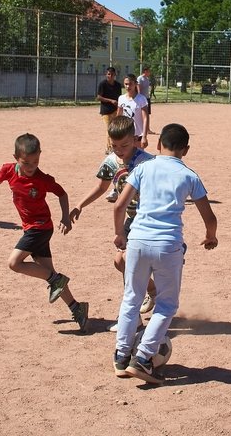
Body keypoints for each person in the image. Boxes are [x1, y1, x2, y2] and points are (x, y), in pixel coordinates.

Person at [112, 123, 218, 384]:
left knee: (131, 298)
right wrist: (210, 236)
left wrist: (119, 234)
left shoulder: (143, 168)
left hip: (136, 241)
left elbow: (119, 206)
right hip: (167, 245)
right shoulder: (189, 175)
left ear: (158, 145)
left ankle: (121, 356)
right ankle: (144, 358)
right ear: (186, 150)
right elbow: (209, 216)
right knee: (167, 304)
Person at [0, 133, 88, 331]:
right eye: (26, 162)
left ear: (40, 155)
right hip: (32, 228)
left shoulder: (43, 179)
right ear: (16, 158)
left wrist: (65, 217)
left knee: (14, 263)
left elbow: (62, 194)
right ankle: (77, 308)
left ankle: (55, 280)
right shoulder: (8, 170)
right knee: (50, 273)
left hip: (39, 228)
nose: (31, 166)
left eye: (35, 161)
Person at [68, 116, 157, 331]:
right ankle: (153, 292)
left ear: (135, 140)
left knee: (126, 261)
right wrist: (80, 204)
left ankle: (132, 318)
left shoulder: (148, 162)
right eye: (114, 145)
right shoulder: (110, 162)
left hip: (147, 221)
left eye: (125, 145)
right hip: (130, 220)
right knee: (121, 263)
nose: (119, 150)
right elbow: (101, 187)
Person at [117, 74, 150, 149]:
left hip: (138, 134)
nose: (128, 86)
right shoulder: (121, 98)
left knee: (138, 157)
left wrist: (144, 136)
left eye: (130, 84)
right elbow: (118, 117)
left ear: (135, 84)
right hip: (125, 133)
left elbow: (145, 118)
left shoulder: (141, 99)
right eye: (126, 84)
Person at [96, 67, 122, 154]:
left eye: (111, 74)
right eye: (108, 74)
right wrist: (110, 100)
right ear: (106, 75)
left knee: (115, 129)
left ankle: (115, 146)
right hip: (106, 111)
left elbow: (119, 98)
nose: (110, 76)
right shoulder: (102, 84)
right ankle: (110, 148)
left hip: (115, 110)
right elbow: (99, 97)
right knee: (109, 129)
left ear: (115, 75)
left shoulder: (118, 85)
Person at [138, 66, 157, 135]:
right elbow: (138, 89)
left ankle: (148, 129)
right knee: (141, 114)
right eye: (149, 71)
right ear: (145, 71)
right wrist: (139, 98)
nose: (150, 72)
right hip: (142, 98)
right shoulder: (140, 78)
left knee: (147, 114)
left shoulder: (147, 79)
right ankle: (141, 129)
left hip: (147, 98)